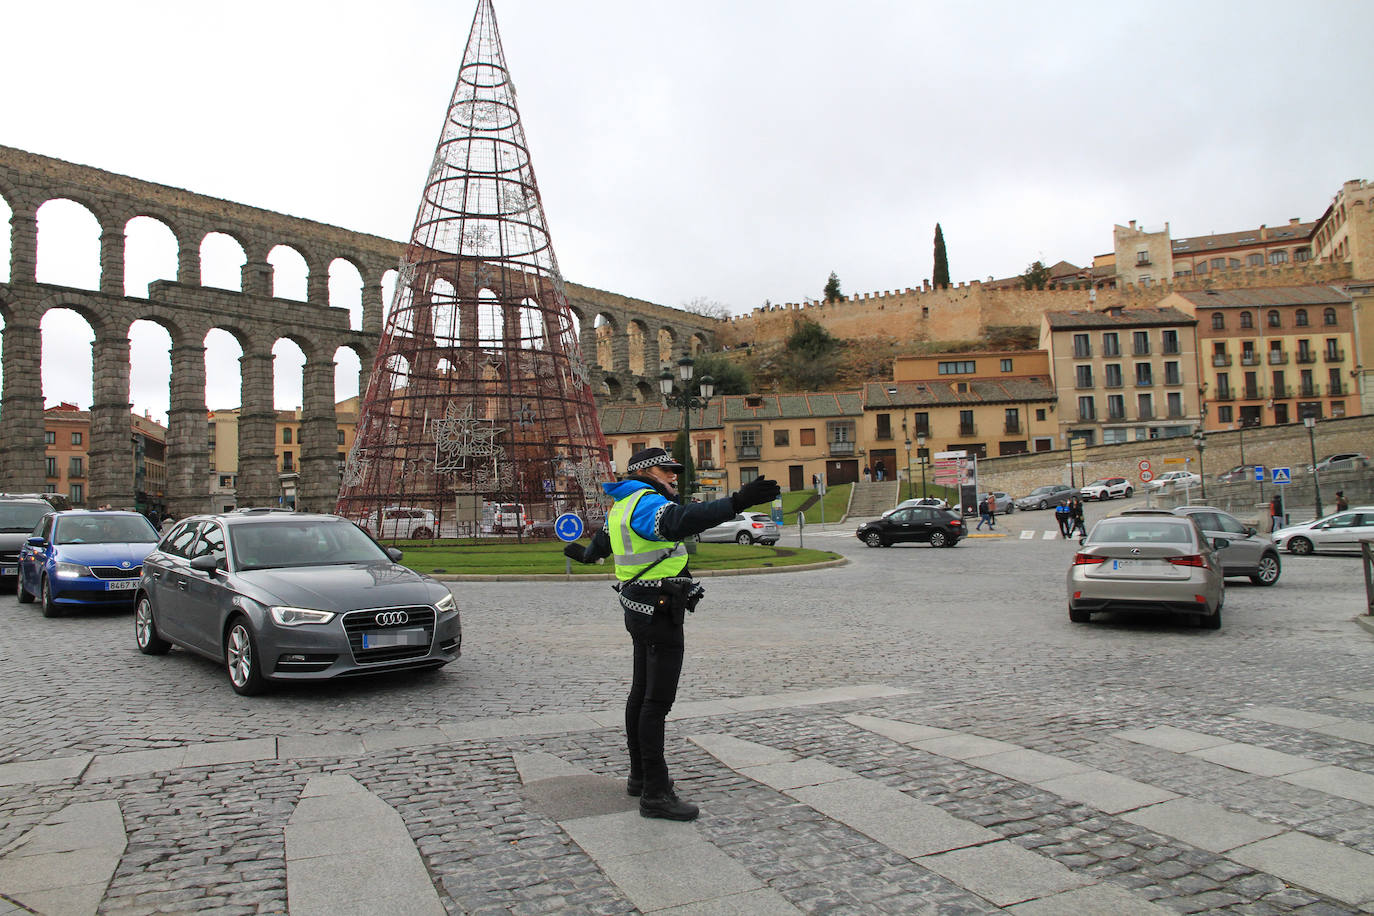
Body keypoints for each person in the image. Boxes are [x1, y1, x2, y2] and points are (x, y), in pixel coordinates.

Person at [564, 447, 779, 822]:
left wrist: (582, 554)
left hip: (639, 608)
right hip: (659, 608)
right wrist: (737, 501)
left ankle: (639, 776)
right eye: (668, 470)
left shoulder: (621, 505)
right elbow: (680, 520)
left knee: (640, 693)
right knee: (656, 702)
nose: (675, 477)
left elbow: (601, 546)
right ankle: (656, 794)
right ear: (646, 471)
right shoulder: (646, 502)